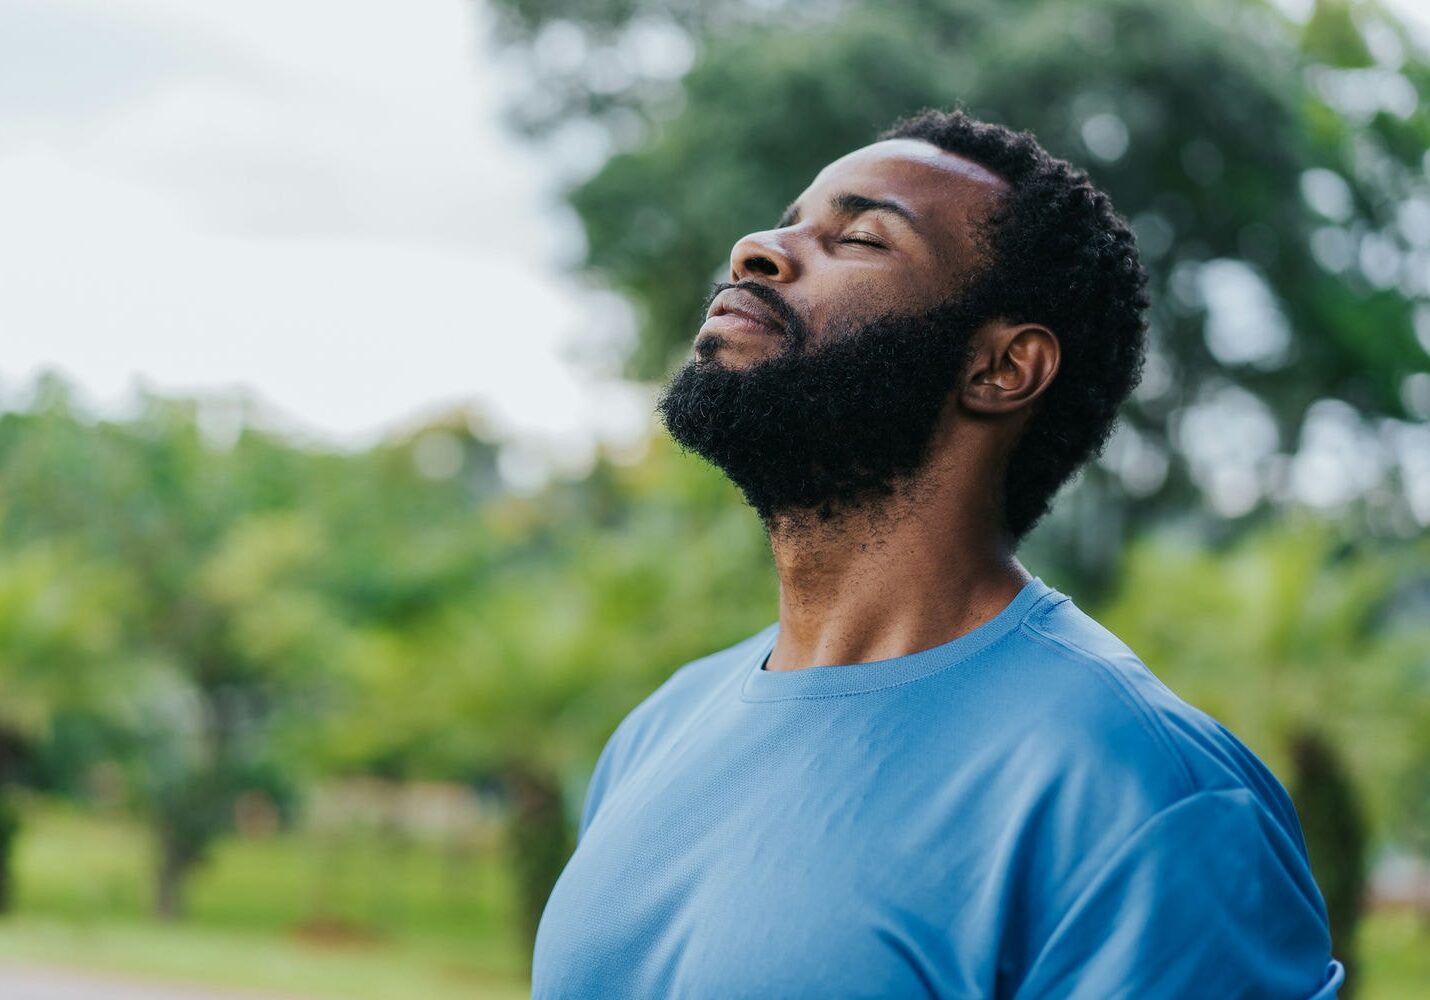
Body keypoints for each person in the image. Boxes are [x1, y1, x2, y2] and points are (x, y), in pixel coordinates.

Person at [531, 108, 1344, 998]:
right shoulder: (658, 732)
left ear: (1002, 369)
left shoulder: (1145, 794)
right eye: (790, 218)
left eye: (862, 237)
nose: (758, 249)